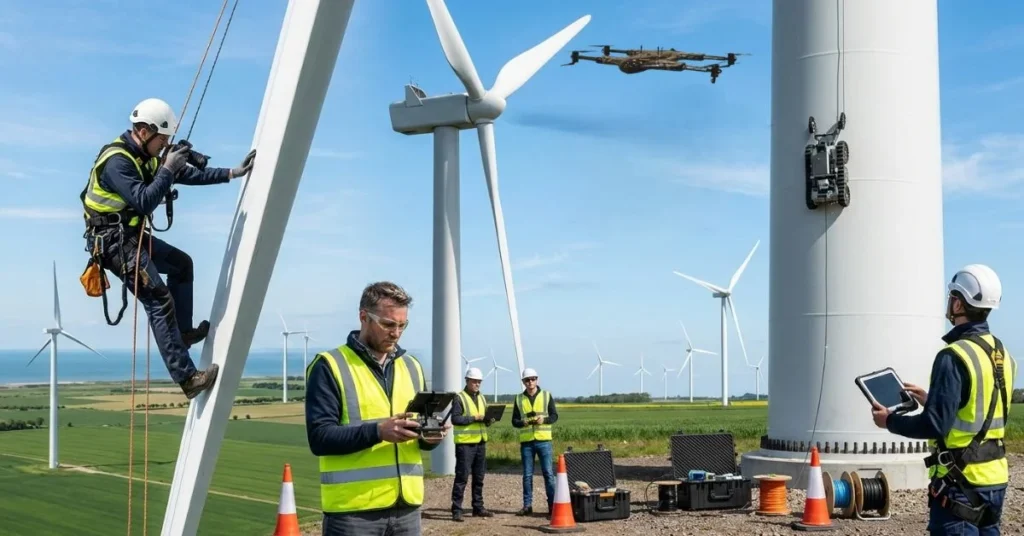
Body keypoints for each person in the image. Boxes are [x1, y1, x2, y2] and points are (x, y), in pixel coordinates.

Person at [80, 97, 256, 399]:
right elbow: (144, 200)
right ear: (144, 131)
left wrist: (231, 173)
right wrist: (167, 170)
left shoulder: (145, 155)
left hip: (130, 236)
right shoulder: (118, 162)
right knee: (159, 300)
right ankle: (187, 378)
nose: (165, 145)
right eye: (162, 139)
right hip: (113, 244)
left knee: (182, 264)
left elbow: (187, 174)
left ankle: (183, 334)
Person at [871, 264, 1014, 535]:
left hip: (960, 482)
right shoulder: (1002, 353)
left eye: (951, 297)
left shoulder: (953, 355)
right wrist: (933, 400)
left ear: (958, 303)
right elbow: (983, 408)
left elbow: (934, 425)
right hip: (995, 480)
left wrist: (889, 421)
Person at [304, 281, 447, 536]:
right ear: (364, 317)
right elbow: (320, 438)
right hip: (353, 511)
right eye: (388, 324)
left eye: (402, 325)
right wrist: (378, 432)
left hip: (407, 509)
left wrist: (431, 436)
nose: (396, 333)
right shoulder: (330, 366)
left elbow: (418, 440)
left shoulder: (412, 367)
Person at [449, 366, 496, 521]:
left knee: (479, 477)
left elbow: (483, 419)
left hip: (480, 442)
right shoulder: (459, 398)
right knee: (462, 477)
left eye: (479, 382)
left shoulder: (482, 398)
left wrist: (489, 420)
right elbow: (455, 419)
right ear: (467, 381)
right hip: (465, 444)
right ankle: (457, 510)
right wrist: (474, 418)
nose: (477, 384)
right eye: (474, 381)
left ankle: (478, 507)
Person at [512, 367, 559, 517]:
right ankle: (527, 506)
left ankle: (552, 506)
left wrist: (543, 420)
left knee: (548, 474)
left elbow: (554, 416)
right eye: (527, 380)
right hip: (527, 442)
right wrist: (523, 423)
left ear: (537, 380)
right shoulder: (518, 399)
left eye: (533, 379)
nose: (530, 382)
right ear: (523, 382)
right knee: (527, 475)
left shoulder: (546, 395)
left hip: (544, 440)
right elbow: (514, 421)